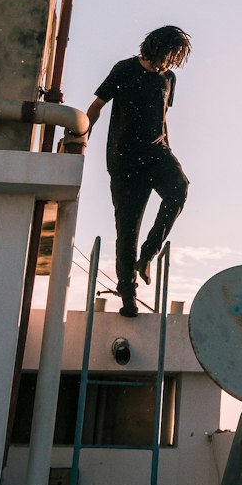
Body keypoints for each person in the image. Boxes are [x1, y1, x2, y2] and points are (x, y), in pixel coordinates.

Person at [86, 24, 192, 317]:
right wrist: (82, 135)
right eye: (171, 54)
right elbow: (97, 105)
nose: (172, 62)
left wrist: (168, 148)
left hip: (158, 154)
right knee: (126, 231)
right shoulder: (124, 69)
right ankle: (128, 295)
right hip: (125, 162)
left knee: (179, 189)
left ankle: (148, 254)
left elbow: (163, 117)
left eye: (176, 58)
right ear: (157, 47)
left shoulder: (168, 79)